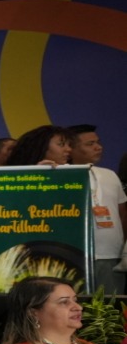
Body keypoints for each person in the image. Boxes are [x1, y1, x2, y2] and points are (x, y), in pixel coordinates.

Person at [67, 125, 126, 294]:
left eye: (98, 142)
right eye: (90, 144)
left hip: (112, 255)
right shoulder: (60, 175)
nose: (98, 147)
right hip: (74, 255)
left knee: (111, 306)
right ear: (71, 149)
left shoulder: (110, 175)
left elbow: (122, 214)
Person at [5, 125, 73, 167]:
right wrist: (37, 173)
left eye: (69, 145)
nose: (69, 149)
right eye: (61, 144)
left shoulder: (74, 173)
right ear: (40, 146)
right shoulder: (12, 175)